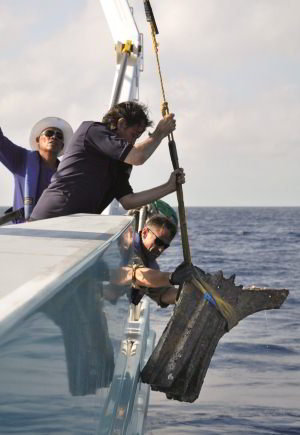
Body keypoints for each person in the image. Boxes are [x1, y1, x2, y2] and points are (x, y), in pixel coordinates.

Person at [30, 101, 184, 221]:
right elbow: (138, 156)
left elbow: (128, 201)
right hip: (50, 218)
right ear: (121, 123)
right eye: (134, 134)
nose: (133, 141)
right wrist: (159, 133)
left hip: (76, 224)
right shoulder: (91, 130)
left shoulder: (120, 164)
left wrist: (169, 187)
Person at [0, 117, 73, 222]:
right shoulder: (21, 159)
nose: (54, 137)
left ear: (62, 146)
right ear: (38, 140)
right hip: (23, 230)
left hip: (54, 233)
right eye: (49, 133)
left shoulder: (67, 175)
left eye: (59, 136)